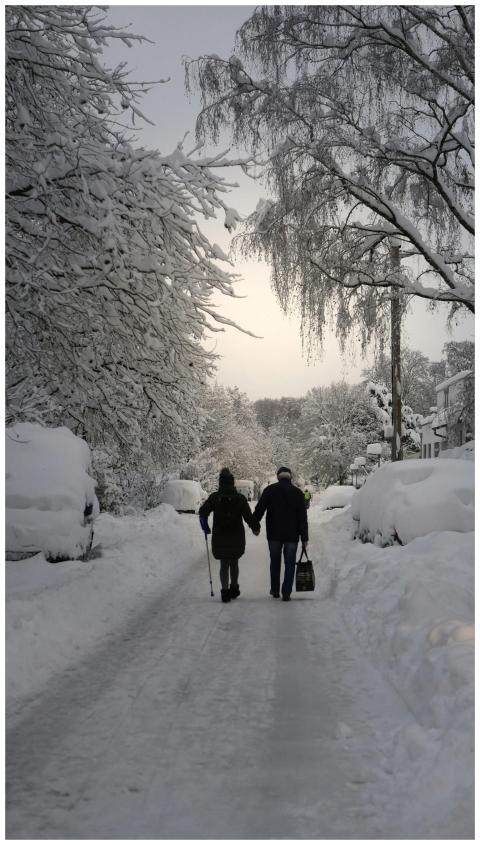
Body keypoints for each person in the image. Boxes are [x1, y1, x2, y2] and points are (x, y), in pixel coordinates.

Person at [198, 468, 260, 603]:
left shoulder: (214, 498)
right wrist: (256, 528)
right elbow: (248, 517)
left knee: (223, 564)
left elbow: (203, 512)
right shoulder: (240, 499)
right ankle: (234, 588)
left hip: (219, 537)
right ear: (233, 484)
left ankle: (225, 592)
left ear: (220, 483)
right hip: (236, 536)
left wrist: (205, 527)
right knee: (234, 562)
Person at [253, 466, 308, 601]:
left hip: (274, 534)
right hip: (292, 535)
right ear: (290, 477)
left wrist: (255, 525)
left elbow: (259, 509)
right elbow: (302, 517)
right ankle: (287, 592)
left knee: (275, 562)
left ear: (278, 476)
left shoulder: (269, 490)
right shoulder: (297, 493)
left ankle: (275, 590)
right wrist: (304, 537)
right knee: (290, 563)